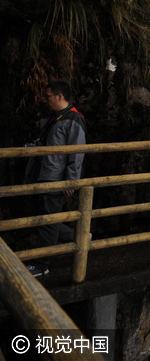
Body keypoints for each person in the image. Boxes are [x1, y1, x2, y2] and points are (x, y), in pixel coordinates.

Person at [24, 81, 87, 277]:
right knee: (44, 217)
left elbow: (76, 152)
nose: (45, 99)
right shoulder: (55, 118)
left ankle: (42, 265)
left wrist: (71, 181)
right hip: (42, 174)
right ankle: (82, 236)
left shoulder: (74, 119)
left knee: (48, 220)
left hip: (55, 178)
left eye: (48, 95)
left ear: (60, 96)